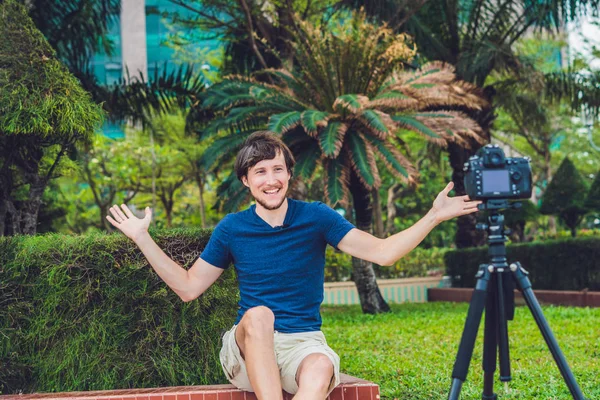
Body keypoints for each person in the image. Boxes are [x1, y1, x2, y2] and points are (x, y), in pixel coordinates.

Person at [106, 131, 481, 400]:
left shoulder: (316, 218)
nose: (271, 180)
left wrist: (433, 216)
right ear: (246, 182)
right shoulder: (233, 228)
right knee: (259, 316)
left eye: (277, 170)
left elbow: (383, 252)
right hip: (247, 348)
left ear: (288, 175)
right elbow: (188, 288)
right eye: (260, 172)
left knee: (319, 369)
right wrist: (142, 237)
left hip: (303, 343)